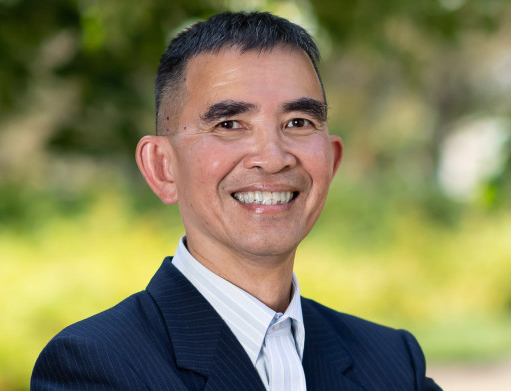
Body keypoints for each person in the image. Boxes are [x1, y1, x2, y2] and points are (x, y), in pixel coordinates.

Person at [31, 11, 441, 391]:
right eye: (229, 124)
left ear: (331, 161)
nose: (273, 158)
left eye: (298, 122)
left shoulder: (392, 362)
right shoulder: (95, 366)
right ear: (162, 167)